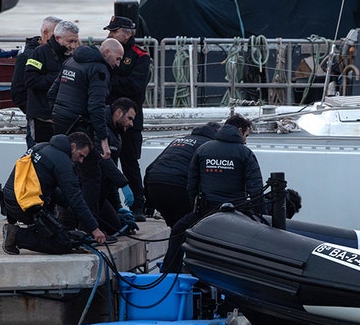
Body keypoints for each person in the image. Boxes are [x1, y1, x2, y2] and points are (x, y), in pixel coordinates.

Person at [162, 114, 264, 273]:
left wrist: (196, 209)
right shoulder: (245, 153)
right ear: (239, 130)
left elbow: (192, 184)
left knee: (178, 231)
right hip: (236, 214)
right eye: (246, 135)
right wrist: (261, 217)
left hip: (206, 212)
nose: (245, 140)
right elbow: (255, 188)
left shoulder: (203, 149)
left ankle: (169, 275)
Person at [48, 39, 124, 217]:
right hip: (80, 124)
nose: (118, 64)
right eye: (118, 58)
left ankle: (63, 217)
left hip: (60, 121)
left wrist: (56, 115)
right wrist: (103, 140)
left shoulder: (71, 61)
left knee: (64, 170)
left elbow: (52, 93)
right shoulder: (99, 69)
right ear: (106, 53)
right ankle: (88, 224)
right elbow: (96, 107)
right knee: (92, 175)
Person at [1, 132, 107, 254]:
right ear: (73, 146)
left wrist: (67, 203)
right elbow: (75, 198)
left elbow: (47, 185)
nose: (81, 161)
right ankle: (16, 235)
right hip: (23, 206)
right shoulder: (62, 161)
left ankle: (41, 231)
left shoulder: (42, 147)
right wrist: (94, 228)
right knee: (61, 244)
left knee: (65, 216)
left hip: (12, 200)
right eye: (80, 155)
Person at [105, 15, 152, 221]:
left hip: (130, 121)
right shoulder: (107, 51)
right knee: (108, 163)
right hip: (109, 119)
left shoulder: (140, 56)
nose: (110, 34)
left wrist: (112, 80)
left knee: (130, 163)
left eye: (114, 31)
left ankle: (138, 206)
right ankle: (111, 205)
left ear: (126, 33)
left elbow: (134, 86)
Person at [144, 122, 221, 226]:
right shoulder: (209, 146)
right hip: (179, 185)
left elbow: (150, 168)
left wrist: (149, 202)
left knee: (174, 224)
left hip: (154, 185)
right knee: (190, 224)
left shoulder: (178, 140)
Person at [23, 20, 79, 144]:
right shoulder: (39, 53)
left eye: (75, 41)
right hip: (41, 118)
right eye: (70, 41)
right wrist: (60, 78)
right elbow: (30, 80)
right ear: (58, 38)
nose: (73, 46)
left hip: (63, 118)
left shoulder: (73, 56)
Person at [11, 16, 61, 148]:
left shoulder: (60, 54)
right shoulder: (28, 56)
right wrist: (34, 111)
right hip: (39, 120)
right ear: (45, 33)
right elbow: (18, 91)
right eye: (56, 35)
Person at [94, 98, 138, 233]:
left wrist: (117, 206)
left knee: (117, 225)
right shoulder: (100, 129)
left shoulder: (116, 135)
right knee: (112, 227)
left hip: (101, 193)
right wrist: (123, 183)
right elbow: (103, 160)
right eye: (129, 118)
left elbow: (111, 173)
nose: (131, 124)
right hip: (90, 191)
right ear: (119, 112)